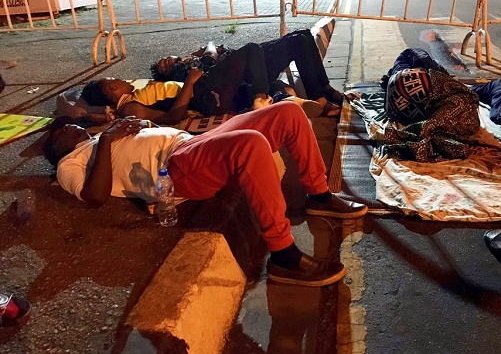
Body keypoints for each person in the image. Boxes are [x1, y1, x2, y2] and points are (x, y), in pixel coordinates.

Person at [43, 101, 369, 286]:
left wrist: (138, 127)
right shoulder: (69, 164)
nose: (69, 126)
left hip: (188, 143)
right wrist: (110, 139)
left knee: (288, 112)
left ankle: (320, 195)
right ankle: (284, 256)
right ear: (58, 148)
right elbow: (95, 196)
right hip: (173, 170)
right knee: (251, 145)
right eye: (62, 130)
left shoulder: (101, 138)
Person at [151, 30, 344, 117]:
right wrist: (209, 49)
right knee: (252, 48)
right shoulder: (181, 74)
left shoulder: (188, 57)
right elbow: (211, 55)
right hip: (238, 79)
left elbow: (217, 48)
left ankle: (324, 89)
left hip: (248, 64)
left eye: (166, 58)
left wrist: (210, 50)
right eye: (163, 67)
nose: (166, 62)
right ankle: (260, 98)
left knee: (301, 38)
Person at [82, 42, 275, 125]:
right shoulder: (130, 109)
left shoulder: (131, 100)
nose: (121, 79)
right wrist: (190, 81)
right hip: (200, 94)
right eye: (115, 80)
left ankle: (269, 98)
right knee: (251, 50)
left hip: (202, 93)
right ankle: (260, 99)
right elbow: (173, 117)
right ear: (112, 88)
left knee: (262, 78)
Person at [378, 48, 485, 163]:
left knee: (411, 54)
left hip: (399, 92)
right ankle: (392, 81)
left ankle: (393, 80)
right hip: (396, 103)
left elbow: (427, 130)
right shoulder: (455, 109)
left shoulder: (455, 98)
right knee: (413, 59)